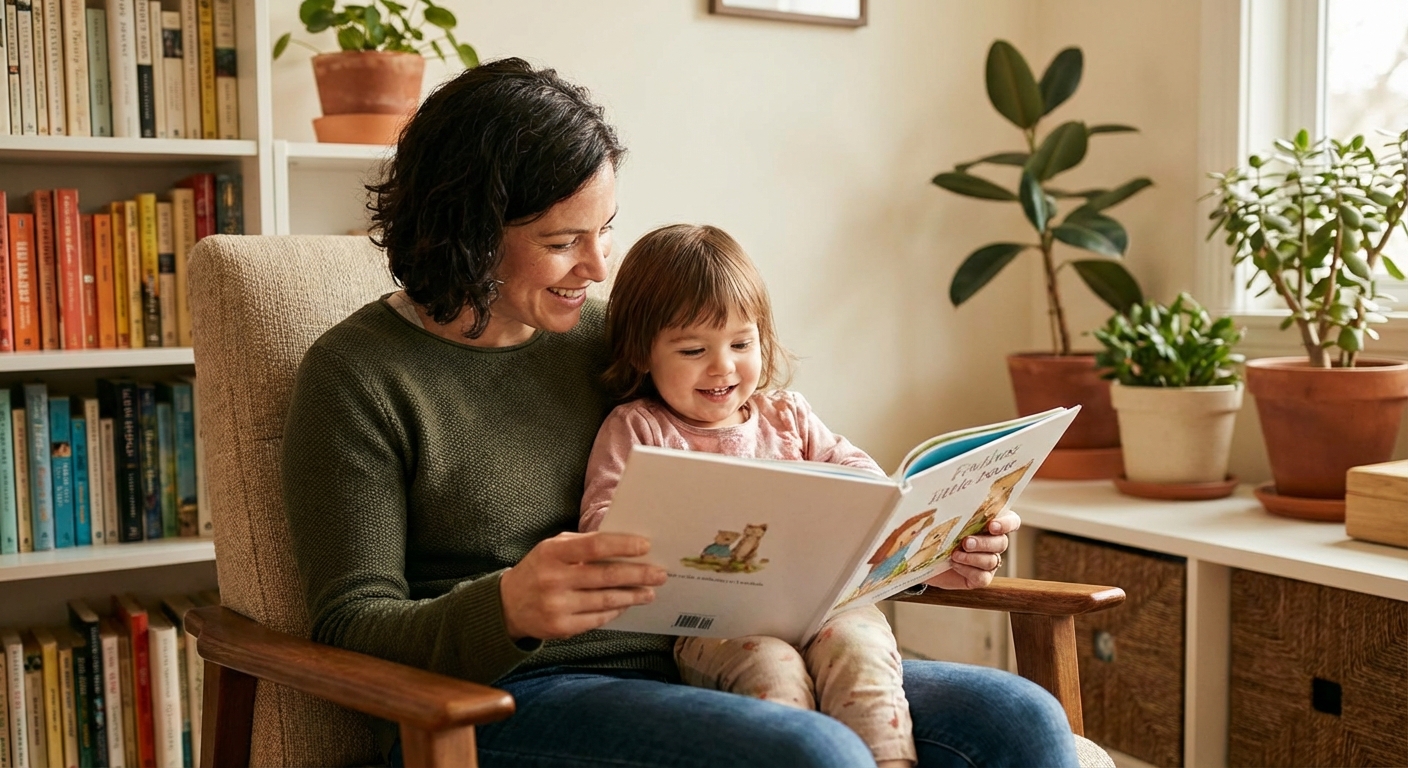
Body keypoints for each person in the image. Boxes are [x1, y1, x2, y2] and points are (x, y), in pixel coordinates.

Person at [280, 57, 1081, 768]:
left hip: (713, 650)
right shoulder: (358, 377)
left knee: (1019, 719)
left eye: (605, 233)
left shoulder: (626, 338)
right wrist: (507, 609)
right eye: (565, 241)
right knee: (811, 752)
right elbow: (351, 626)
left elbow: (770, 506)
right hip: (518, 694)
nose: (597, 268)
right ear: (467, 232)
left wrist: (930, 549)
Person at [578, 224, 917, 767]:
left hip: (824, 608)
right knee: (773, 669)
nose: (723, 366)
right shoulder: (639, 428)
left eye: (742, 343)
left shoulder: (789, 416)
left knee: (864, 652)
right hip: (715, 626)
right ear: (642, 352)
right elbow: (602, 524)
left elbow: (866, 481)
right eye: (694, 349)